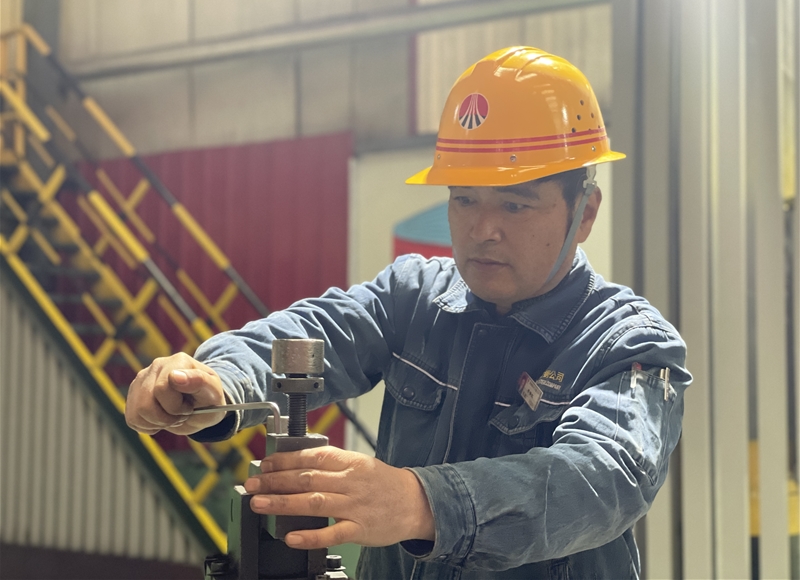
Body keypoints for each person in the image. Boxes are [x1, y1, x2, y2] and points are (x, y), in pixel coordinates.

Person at [125, 46, 690, 579]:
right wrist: (218, 380)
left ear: (584, 213)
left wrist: (420, 503)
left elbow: (601, 478)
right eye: (463, 199)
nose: (482, 229)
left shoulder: (631, 346)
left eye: (515, 205)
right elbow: (317, 330)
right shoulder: (415, 297)